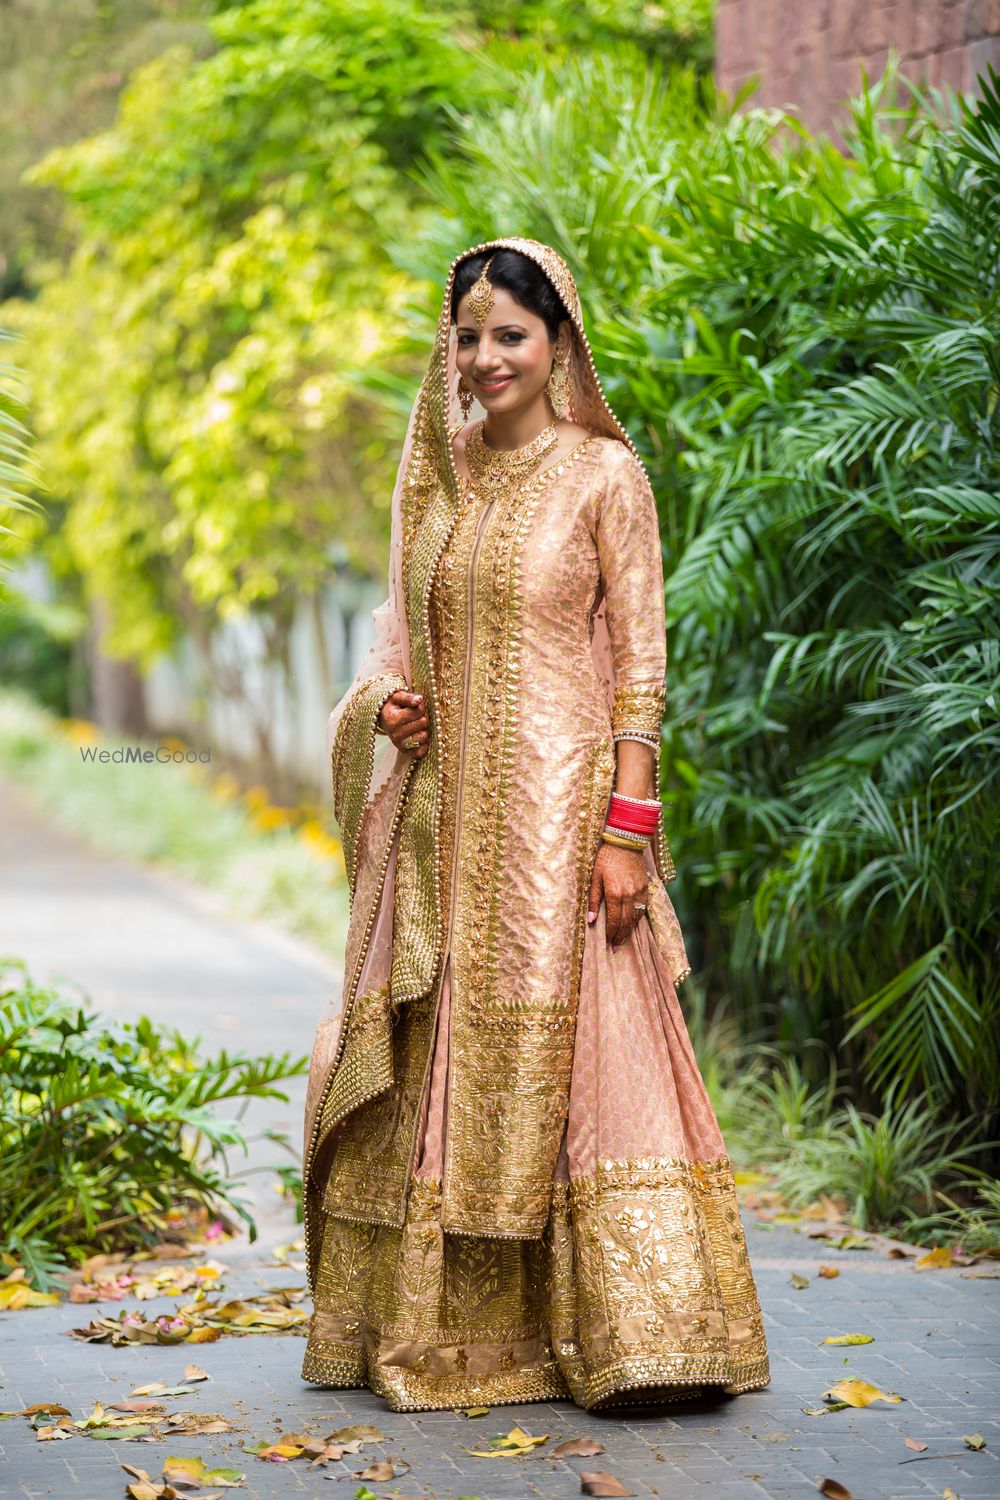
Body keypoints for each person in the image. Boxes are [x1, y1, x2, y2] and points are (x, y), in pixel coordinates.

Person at [300, 236, 770, 1413]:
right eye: (467, 336)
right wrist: (384, 704)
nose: (485, 355)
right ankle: (456, 1338)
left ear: (559, 342)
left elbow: (644, 666)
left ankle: (627, 1338)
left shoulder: (605, 476)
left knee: (584, 1059)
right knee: (444, 1054)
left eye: (510, 333)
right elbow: (395, 632)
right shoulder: (437, 476)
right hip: (447, 834)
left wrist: (626, 827)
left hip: (565, 837)